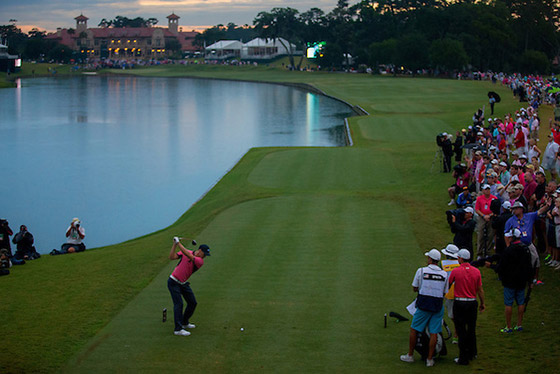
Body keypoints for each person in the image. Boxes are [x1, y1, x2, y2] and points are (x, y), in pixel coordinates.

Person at [400, 249, 448, 367]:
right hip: (437, 305)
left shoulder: (421, 271)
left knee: (414, 329)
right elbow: (445, 292)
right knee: (434, 332)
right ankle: (430, 359)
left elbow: (415, 287)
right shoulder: (444, 274)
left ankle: (410, 355)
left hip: (424, 305)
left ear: (430, 259)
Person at [448, 249, 486, 366]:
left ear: (460, 258)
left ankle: (463, 357)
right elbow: (480, 289)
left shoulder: (456, 271)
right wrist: (482, 303)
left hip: (460, 303)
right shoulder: (476, 272)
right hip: (472, 303)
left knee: (461, 330)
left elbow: (449, 284)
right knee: (471, 329)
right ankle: (472, 352)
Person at [167, 237, 211, 337]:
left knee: (192, 303)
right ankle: (178, 329)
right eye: (204, 254)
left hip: (183, 283)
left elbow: (188, 254)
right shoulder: (187, 252)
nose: (205, 256)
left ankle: (184, 322)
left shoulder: (200, 261)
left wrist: (178, 243)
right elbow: (172, 257)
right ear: (200, 251)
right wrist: (174, 244)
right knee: (179, 304)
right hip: (173, 282)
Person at [497, 228, 534, 333]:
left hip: (510, 281)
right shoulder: (525, 249)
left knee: (508, 304)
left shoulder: (508, 250)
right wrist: (530, 281)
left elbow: (502, 266)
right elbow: (529, 266)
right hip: (522, 280)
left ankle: (508, 327)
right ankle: (519, 324)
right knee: (521, 302)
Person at [504, 201, 550, 285]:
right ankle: (519, 278)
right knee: (518, 263)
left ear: (521, 209)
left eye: (516, 208)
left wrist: (547, 206)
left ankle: (535, 278)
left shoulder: (529, 216)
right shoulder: (510, 221)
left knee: (535, 259)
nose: (514, 210)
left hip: (528, 244)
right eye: (513, 209)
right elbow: (506, 234)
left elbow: (539, 212)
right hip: (517, 246)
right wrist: (508, 246)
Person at [441, 244, 461, 344]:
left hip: (450, 294)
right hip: (460, 293)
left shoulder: (443, 264)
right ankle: (458, 333)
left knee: (453, 316)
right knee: (455, 315)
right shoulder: (460, 263)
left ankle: (457, 334)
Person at [475, 184, 497, 259]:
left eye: (488, 189)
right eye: (486, 189)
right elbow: (477, 209)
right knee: (480, 234)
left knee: (490, 235)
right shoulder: (479, 198)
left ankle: (488, 252)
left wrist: (490, 215)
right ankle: (479, 253)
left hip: (491, 218)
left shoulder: (494, 198)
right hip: (482, 217)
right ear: (483, 190)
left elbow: (496, 209)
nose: (487, 191)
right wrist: (484, 216)